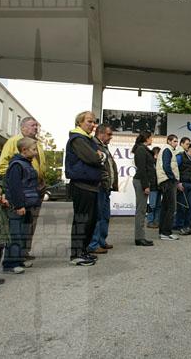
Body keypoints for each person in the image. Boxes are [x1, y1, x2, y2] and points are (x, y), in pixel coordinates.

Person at [0, 116, 46, 260]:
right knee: (18, 225)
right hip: (23, 190)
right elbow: (2, 167)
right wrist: (19, 180)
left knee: (30, 223)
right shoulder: (14, 142)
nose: (35, 128)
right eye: (32, 125)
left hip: (36, 188)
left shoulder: (37, 144)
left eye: (36, 125)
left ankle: (24, 252)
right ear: (23, 127)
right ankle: (15, 256)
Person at [65, 111, 104, 266]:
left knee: (91, 221)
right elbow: (93, 157)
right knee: (82, 220)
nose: (93, 125)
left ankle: (83, 250)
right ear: (79, 122)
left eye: (94, 122)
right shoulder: (78, 139)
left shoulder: (88, 139)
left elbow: (98, 156)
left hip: (91, 186)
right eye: (89, 121)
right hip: (82, 185)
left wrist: (100, 155)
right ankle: (76, 254)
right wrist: (100, 156)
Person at [2, 137, 41, 274]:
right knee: (15, 235)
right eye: (34, 149)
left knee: (23, 234)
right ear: (24, 150)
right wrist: (19, 205)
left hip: (27, 205)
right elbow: (15, 187)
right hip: (18, 207)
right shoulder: (17, 165)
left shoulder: (27, 164)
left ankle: (18, 259)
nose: (36, 152)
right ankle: (10, 263)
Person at [88, 124, 119, 253]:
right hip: (100, 186)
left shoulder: (104, 147)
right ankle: (93, 244)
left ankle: (101, 241)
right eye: (109, 134)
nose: (111, 137)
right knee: (98, 216)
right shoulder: (93, 145)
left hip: (106, 187)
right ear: (101, 133)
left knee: (105, 216)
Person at [132, 131, 155, 246]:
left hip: (142, 181)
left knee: (142, 209)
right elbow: (142, 169)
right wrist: (145, 185)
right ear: (146, 138)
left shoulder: (143, 149)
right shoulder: (141, 149)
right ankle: (139, 238)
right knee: (141, 210)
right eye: (151, 138)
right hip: (141, 181)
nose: (152, 140)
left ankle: (140, 236)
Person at [156, 134, 180, 241]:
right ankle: (166, 232)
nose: (176, 143)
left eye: (177, 141)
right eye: (174, 141)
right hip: (168, 181)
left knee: (165, 207)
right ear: (169, 141)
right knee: (171, 207)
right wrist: (173, 178)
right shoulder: (167, 150)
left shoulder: (167, 150)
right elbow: (166, 166)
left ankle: (163, 232)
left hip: (165, 181)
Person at [146, 147, 161, 229]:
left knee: (158, 205)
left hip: (159, 187)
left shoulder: (160, 163)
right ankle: (150, 221)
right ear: (156, 154)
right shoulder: (151, 163)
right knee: (152, 205)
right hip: (153, 187)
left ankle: (156, 221)